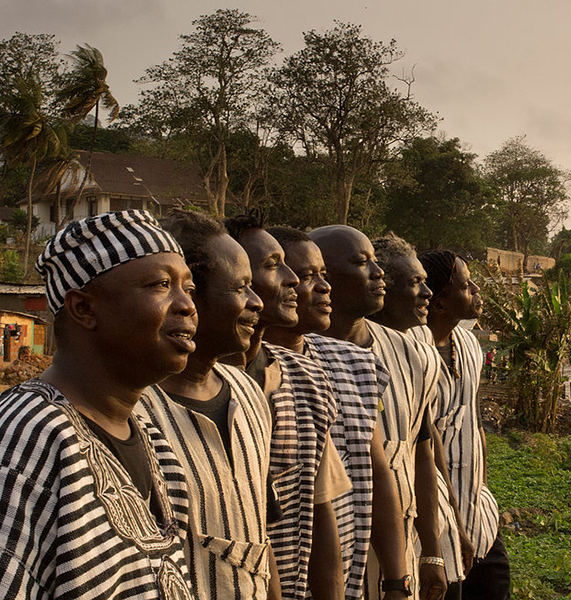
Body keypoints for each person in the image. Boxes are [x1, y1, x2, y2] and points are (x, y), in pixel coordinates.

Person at [0, 210, 195, 598]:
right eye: (161, 284)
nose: (187, 305)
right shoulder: (27, 436)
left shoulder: (153, 441)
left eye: (188, 288)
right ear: (83, 309)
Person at [135, 209, 280, 599]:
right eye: (239, 288)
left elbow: (260, 545)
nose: (257, 303)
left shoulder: (248, 394)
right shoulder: (134, 413)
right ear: (189, 296)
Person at [269, 226, 410, 600]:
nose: (323, 287)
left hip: (351, 579)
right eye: (306, 276)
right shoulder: (251, 380)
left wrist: (396, 581)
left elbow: (378, 471)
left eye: (324, 275)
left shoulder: (353, 364)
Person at [309, 225, 444, 600]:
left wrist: (430, 551)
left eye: (375, 261)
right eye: (360, 262)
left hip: (397, 553)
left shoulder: (415, 357)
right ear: (323, 276)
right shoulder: (292, 362)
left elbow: (421, 453)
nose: (378, 272)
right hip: (316, 560)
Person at [224, 213, 349, 600]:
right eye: (271, 266)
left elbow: (320, 507)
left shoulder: (306, 378)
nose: (292, 279)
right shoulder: (175, 392)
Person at [370, 234, 476, 600]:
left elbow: (425, 449)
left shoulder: (418, 355)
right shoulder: (347, 356)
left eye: (425, 282)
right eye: (414, 283)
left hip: (417, 525)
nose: (426, 294)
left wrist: (435, 545)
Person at [412, 251, 511, 600]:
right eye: (466, 285)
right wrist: (451, 509)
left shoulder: (469, 346)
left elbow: (475, 419)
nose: (476, 289)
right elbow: (424, 443)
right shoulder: (412, 354)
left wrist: (482, 489)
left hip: (478, 509)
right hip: (434, 513)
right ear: (438, 303)